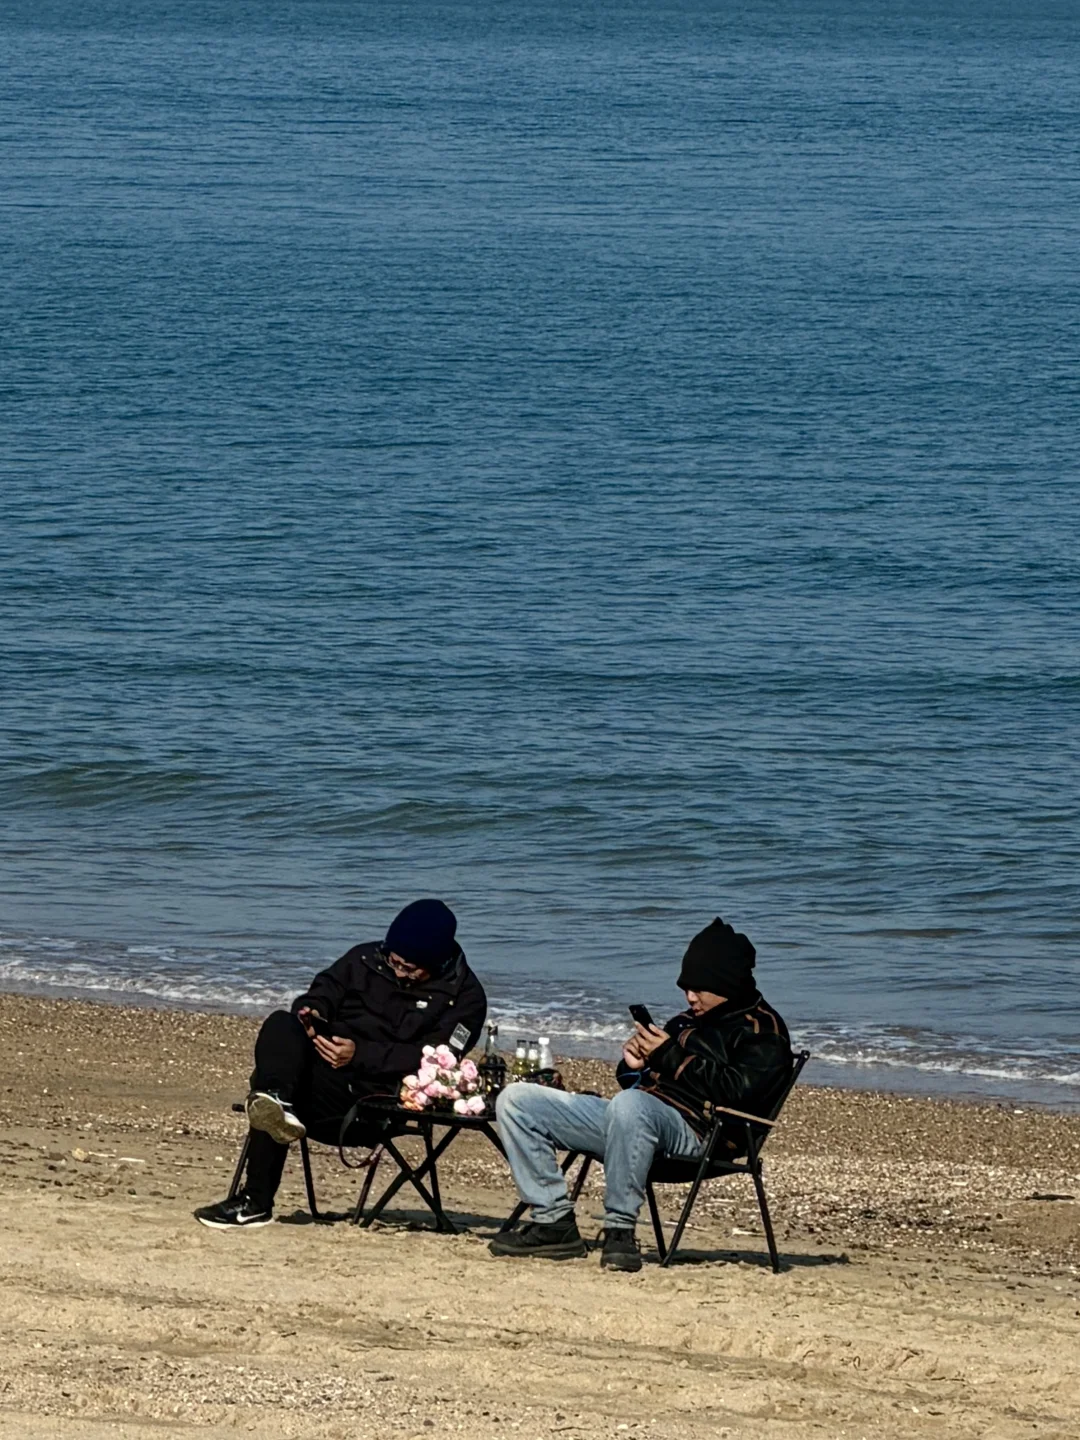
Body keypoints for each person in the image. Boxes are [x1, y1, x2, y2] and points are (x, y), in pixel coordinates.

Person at [490, 917, 791, 1272]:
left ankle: (619, 1230)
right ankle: (554, 1222)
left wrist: (667, 1056)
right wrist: (635, 1066)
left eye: (698, 988)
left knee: (631, 1106)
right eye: (685, 988)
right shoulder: (685, 1021)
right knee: (517, 1099)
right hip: (639, 1120)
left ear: (726, 983)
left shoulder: (763, 1032)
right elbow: (641, 1085)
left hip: (704, 1135)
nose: (689, 997)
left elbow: (737, 1093)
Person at [195, 898, 486, 1228]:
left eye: (410, 968)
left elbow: (439, 1062)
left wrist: (359, 1053)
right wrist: (313, 1013)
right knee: (281, 1027)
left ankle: (257, 1196)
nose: (399, 971)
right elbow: (322, 991)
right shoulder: (364, 959)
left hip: (377, 1100)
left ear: (437, 961)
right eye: (395, 961)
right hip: (319, 1079)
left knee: (269, 1081)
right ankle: (274, 1111)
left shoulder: (465, 998)